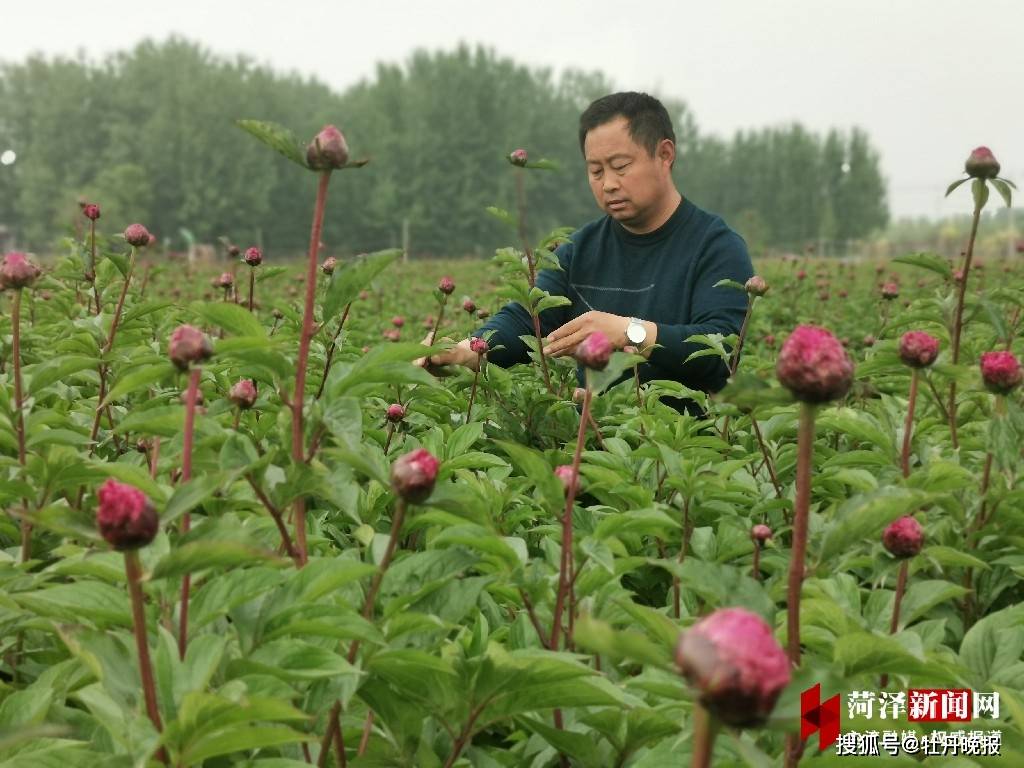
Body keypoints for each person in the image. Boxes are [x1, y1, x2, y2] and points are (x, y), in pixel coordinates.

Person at [421, 91, 754, 415]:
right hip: (594, 445)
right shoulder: (581, 249)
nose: (608, 183)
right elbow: (527, 319)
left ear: (665, 154)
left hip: (686, 452)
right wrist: (467, 352)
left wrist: (630, 332)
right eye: (596, 171)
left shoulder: (716, 246)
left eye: (620, 166)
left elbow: (722, 349)